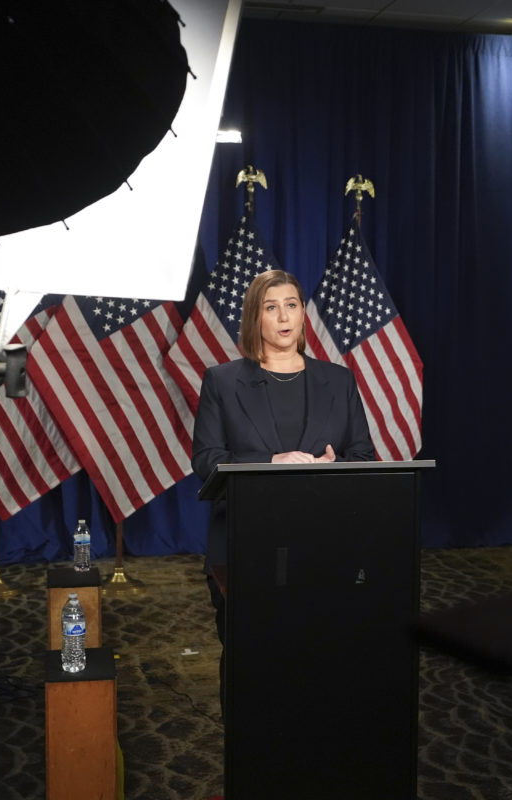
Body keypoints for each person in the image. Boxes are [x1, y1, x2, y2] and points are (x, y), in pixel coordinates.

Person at [191, 269, 376, 700]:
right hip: (246, 546)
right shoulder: (221, 381)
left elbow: (363, 456)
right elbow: (207, 460)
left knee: (319, 660)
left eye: (291, 305)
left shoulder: (339, 380)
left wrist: (335, 466)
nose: (283, 316)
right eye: (270, 308)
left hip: (323, 544)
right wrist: (270, 461)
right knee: (251, 664)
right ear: (255, 318)